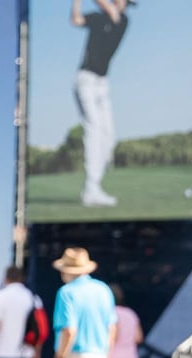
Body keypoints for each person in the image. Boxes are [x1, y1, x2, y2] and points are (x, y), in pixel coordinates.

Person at [71, 0, 134, 208]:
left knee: (108, 135)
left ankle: (94, 187)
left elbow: (108, 7)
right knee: (94, 129)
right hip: (86, 80)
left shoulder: (122, 20)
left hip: (102, 84)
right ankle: (91, 189)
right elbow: (76, 20)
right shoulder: (97, 18)